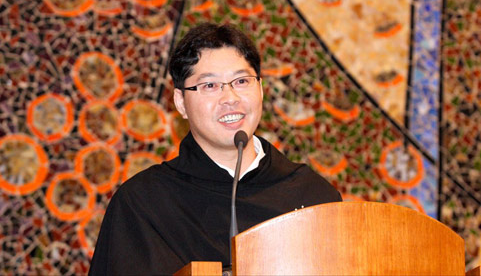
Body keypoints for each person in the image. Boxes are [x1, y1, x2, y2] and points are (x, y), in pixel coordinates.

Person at [89, 23, 342, 275]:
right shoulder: (142, 204)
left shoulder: (313, 197)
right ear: (181, 102)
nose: (230, 98)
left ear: (261, 89)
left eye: (241, 81)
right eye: (210, 86)